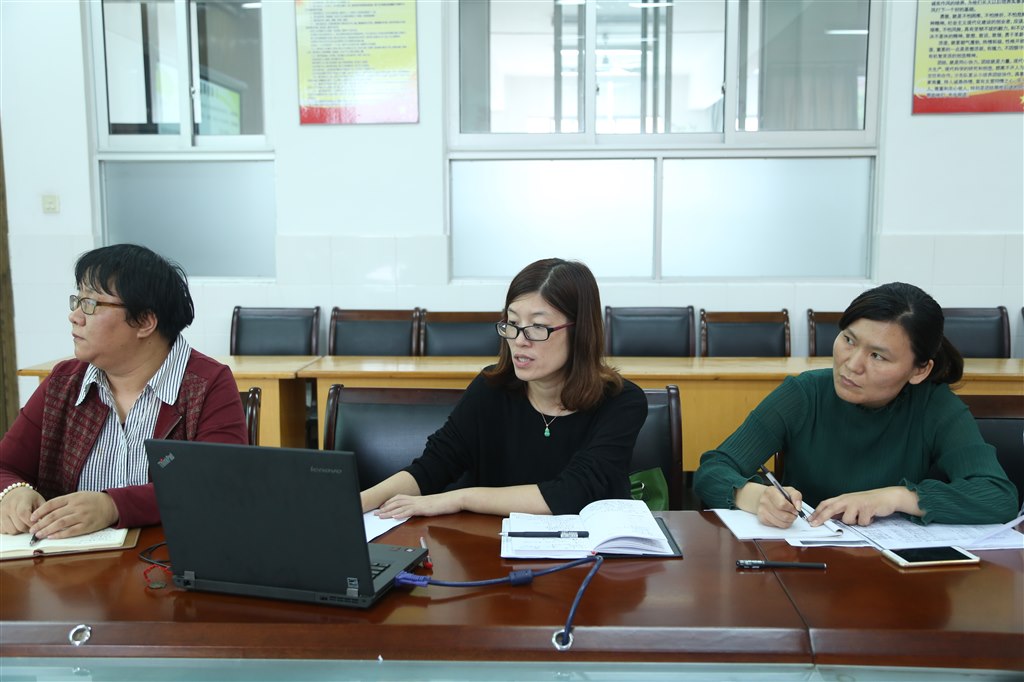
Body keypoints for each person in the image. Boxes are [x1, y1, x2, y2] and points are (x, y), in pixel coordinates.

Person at [694, 282, 1018, 528]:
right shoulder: (804, 394)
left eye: (877, 356)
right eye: (848, 340)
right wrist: (757, 497)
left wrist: (896, 497)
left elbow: (998, 495)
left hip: (899, 576)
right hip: (807, 559)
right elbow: (712, 470)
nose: (852, 365)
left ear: (919, 370)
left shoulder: (935, 406)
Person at [364, 258, 648, 519]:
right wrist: (357, 502)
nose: (520, 340)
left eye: (538, 326)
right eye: (512, 323)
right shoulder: (491, 388)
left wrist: (461, 498)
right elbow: (433, 466)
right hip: (492, 548)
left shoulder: (622, 402)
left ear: (580, 331)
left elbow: (572, 493)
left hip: (588, 553)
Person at [0, 244, 247, 540]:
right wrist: (13, 492)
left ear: (144, 321)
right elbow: (5, 465)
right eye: (77, 300)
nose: (75, 316)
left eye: (91, 304)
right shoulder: (63, 383)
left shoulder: (206, 385)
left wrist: (113, 506)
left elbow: (218, 485)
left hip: (167, 559)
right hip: (69, 563)